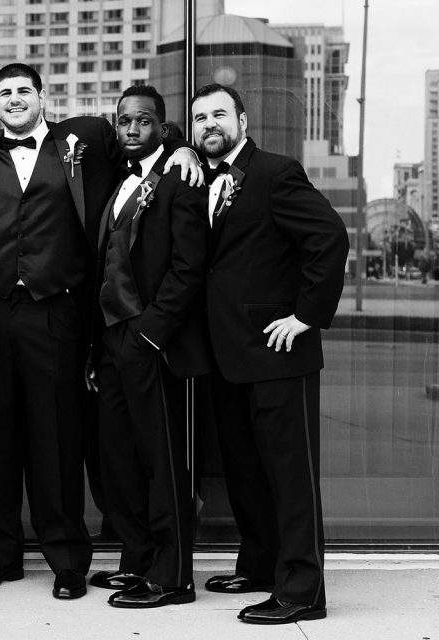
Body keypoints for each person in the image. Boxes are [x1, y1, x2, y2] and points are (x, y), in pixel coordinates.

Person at [0, 64, 202, 600]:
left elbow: (145, 137)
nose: (15, 99)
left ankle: (67, 559)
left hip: (56, 311)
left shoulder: (84, 138)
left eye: (24, 91)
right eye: (4, 93)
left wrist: (185, 148)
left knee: (57, 438)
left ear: (43, 96)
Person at [190, 83, 349, 624]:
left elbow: (329, 237)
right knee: (246, 472)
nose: (209, 124)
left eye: (219, 114)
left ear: (243, 120)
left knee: (290, 477)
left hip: (279, 352)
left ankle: (303, 591)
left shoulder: (275, 173)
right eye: (200, 118)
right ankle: (260, 566)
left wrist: (306, 316)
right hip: (227, 354)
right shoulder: (200, 177)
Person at [85, 85, 209, 608]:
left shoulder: (180, 177)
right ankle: (137, 559)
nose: (132, 129)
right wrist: (99, 347)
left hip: (150, 339)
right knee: (118, 455)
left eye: (143, 121)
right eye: (124, 121)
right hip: (110, 339)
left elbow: (189, 267)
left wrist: (150, 333)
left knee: (161, 460)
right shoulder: (120, 180)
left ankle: (173, 576)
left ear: (162, 126)